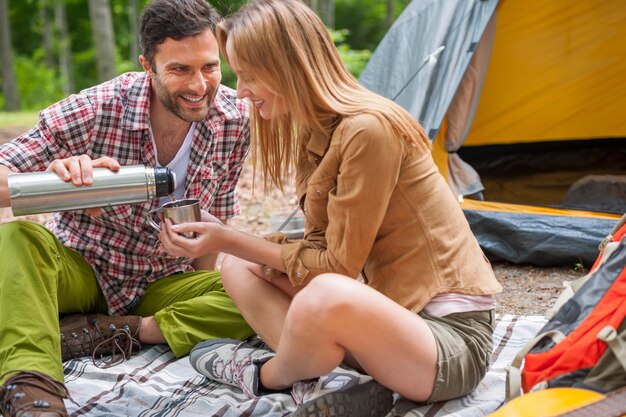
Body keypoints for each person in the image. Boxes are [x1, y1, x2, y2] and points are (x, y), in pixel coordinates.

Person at [158, 0, 504, 415]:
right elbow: (319, 248)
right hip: (390, 326)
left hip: (448, 346)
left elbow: (336, 268)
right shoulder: (317, 132)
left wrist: (231, 238)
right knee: (237, 265)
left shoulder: (369, 129)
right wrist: (229, 242)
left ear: (287, 67)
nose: (241, 91)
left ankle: (267, 376)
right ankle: (323, 378)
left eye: (248, 76)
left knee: (323, 291)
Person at [0, 1, 255, 416]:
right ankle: (34, 398)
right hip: (81, 273)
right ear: (146, 65)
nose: (199, 85)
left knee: (270, 283)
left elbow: (216, 219)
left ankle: (126, 333)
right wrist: (54, 178)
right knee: (14, 238)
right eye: (179, 70)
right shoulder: (95, 108)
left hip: (161, 283)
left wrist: (194, 304)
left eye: (209, 67)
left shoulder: (233, 118)